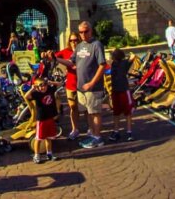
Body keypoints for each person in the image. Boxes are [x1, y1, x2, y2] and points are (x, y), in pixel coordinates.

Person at [56, 20, 106, 148]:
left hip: (93, 87)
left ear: (91, 31)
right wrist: (55, 58)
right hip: (81, 87)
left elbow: (102, 66)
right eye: (81, 32)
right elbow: (71, 62)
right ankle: (93, 135)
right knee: (89, 112)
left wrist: (91, 83)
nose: (83, 34)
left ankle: (98, 138)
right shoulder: (79, 46)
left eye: (86, 31)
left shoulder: (96, 45)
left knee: (95, 112)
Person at [53, 32, 82, 139]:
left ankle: (90, 129)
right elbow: (54, 57)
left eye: (76, 40)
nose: (74, 42)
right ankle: (75, 129)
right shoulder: (66, 51)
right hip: (71, 84)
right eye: (71, 40)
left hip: (84, 83)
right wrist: (48, 56)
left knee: (86, 109)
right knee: (73, 107)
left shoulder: (83, 50)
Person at [27, 78, 59, 164]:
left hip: (50, 118)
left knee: (49, 137)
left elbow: (59, 84)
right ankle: (36, 155)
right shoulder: (37, 94)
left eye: (44, 85)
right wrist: (32, 89)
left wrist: (50, 82)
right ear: (37, 87)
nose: (43, 87)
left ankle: (49, 153)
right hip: (42, 119)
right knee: (39, 138)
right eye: (40, 86)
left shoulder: (50, 90)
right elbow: (26, 96)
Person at [107, 48, 134, 142]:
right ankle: (121, 131)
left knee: (124, 112)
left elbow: (132, 57)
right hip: (117, 90)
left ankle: (125, 131)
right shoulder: (118, 63)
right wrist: (130, 54)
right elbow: (133, 57)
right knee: (118, 112)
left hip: (122, 90)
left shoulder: (121, 63)